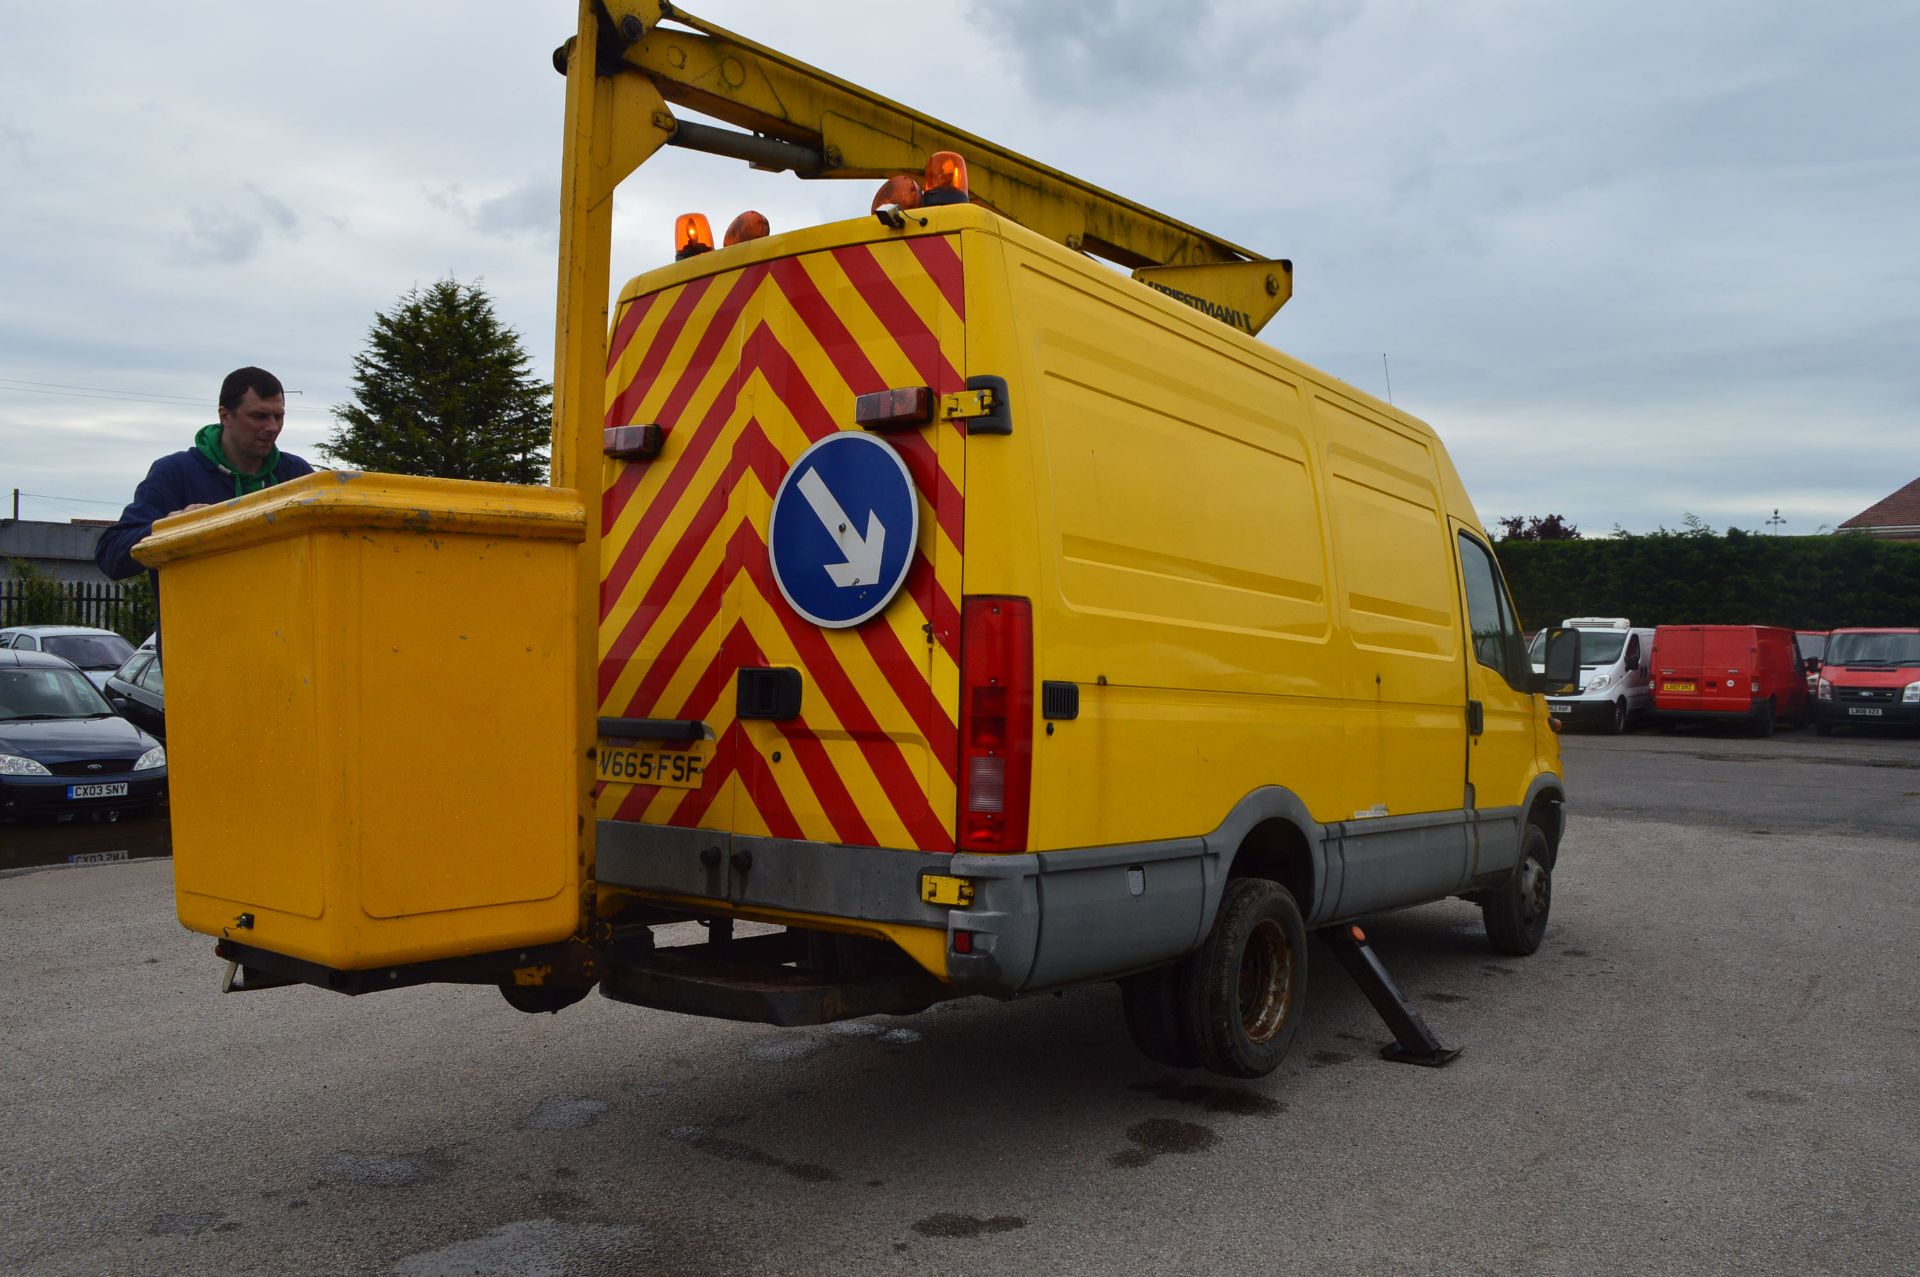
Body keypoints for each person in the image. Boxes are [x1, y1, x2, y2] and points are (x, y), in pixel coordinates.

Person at [95, 366, 314, 648]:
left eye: (279, 416)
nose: (272, 427)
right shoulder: (175, 473)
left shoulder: (296, 474)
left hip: (283, 650)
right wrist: (169, 528)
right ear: (225, 416)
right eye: (259, 416)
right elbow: (111, 557)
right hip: (199, 656)